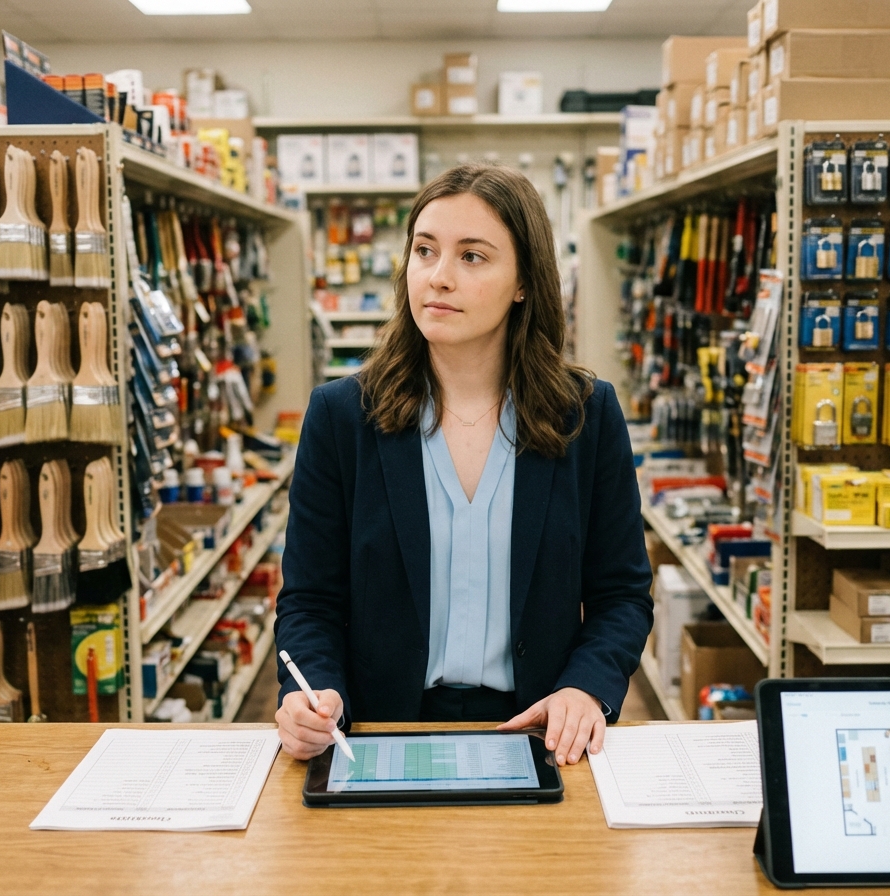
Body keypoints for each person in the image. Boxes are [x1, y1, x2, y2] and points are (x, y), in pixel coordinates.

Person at [274, 163, 652, 767]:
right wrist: (310, 692)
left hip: (539, 736)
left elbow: (622, 595)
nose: (438, 277)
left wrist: (587, 687)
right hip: (380, 736)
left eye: (472, 257)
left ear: (524, 281)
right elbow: (310, 602)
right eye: (425, 251)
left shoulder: (585, 415)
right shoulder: (343, 417)